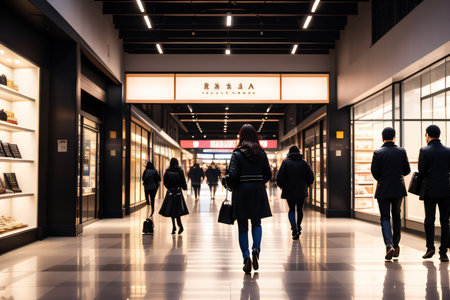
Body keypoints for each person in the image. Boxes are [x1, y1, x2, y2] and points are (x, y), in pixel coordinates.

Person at [229, 124, 272, 273]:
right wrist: (258, 181)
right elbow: (268, 174)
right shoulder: (261, 152)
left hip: (242, 191)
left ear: (241, 136)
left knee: (242, 227)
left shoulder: (237, 154)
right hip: (258, 190)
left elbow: (233, 176)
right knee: (256, 223)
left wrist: (229, 180)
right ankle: (256, 250)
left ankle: (246, 257)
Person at [370, 127, 410, 260]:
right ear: (394, 137)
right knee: (397, 216)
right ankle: (396, 244)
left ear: (382, 138)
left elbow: (374, 172)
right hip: (398, 188)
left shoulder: (378, 153)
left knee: (385, 217)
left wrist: (383, 179)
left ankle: (389, 244)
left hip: (383, 189)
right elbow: (407, 170)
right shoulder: (401, 151)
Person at [418, 125, 450, 261]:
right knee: (445, 221)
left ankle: (430, 248)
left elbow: (421, 170)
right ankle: (443, 251)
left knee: (429, 219)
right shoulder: (448, 151)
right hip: (446, 190)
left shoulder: (424, 151)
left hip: (430, 190)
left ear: (427, 135)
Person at [276, 146, 314, 240]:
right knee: (300, 209)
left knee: (292, 209)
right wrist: (307, 185)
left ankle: (293, 228)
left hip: (289, 190)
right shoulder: (304, 163)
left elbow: (280, 177)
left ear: (289, 153)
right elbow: (311, 176)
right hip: (301, 190)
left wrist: (282, 186)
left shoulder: (286, 163)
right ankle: (298, 226)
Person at [159, 158, 189, 235]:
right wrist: (184, 187)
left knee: (171, 209)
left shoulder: (167, 171)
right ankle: (180, 226)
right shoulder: (180, 170)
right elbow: (183, 180)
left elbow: (165, 182)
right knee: (177, 209)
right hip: (178, 191)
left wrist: (169, 188)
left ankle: (174, 227)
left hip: (170, 192)